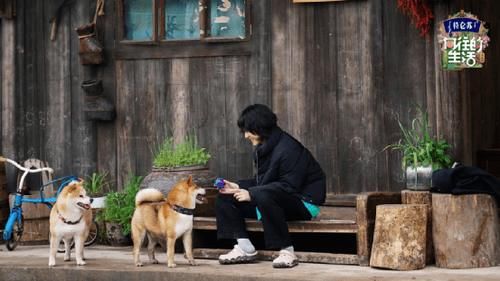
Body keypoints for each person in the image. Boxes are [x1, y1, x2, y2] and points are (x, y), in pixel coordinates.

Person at [216, 104, 326, 268]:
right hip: (272, 198)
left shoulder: (289, 149)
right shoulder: (265, 147)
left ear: (259, 128)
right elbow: (263, 182)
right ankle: (245, 247)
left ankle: (287, 251)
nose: (245, 136)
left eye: (248, 131)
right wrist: (238, 186)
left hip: (303, 203)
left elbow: (288, 187)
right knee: (225, 195)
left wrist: (252, 194)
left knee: (262, 195)